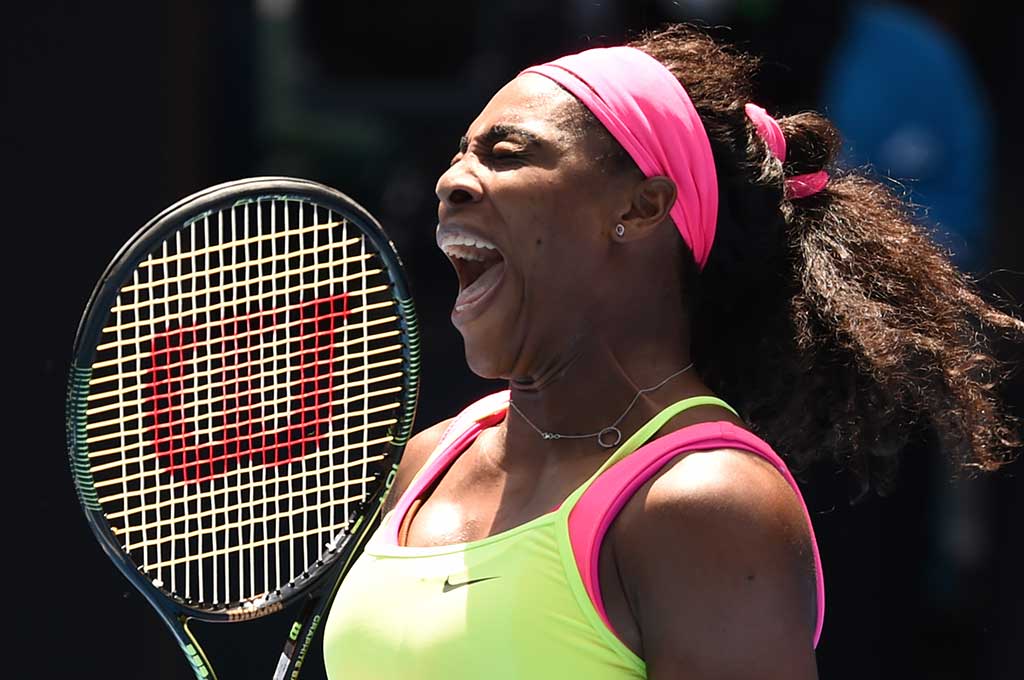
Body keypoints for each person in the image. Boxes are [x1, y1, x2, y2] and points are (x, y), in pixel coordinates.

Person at [321, 24, 1023, 679]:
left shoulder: (707, 505)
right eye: (459, 155)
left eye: (506, 155)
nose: (450, 182)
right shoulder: (429, 461)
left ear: (641, 207)